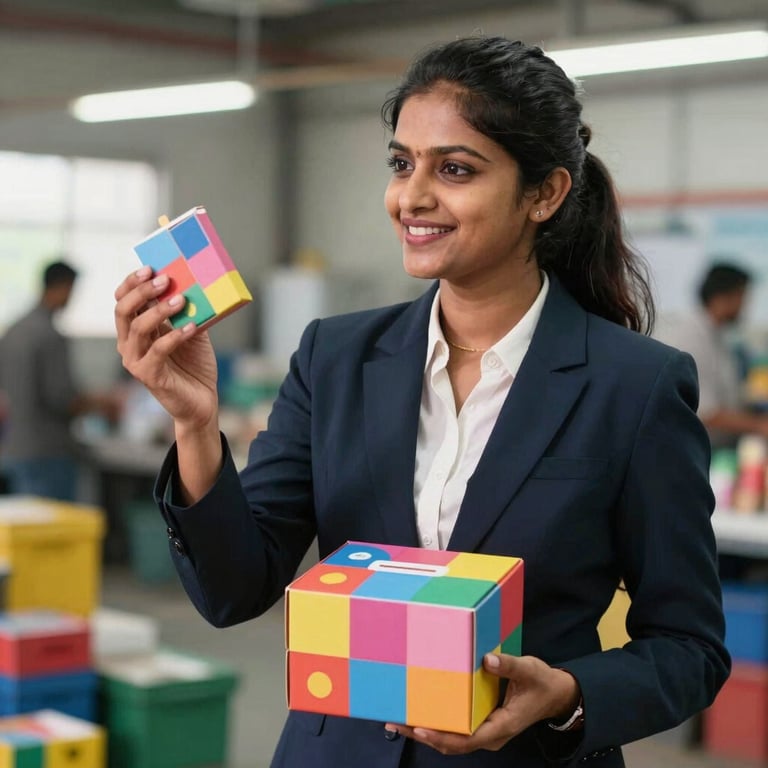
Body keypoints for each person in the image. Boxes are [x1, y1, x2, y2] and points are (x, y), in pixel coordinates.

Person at [114, 36, 729, 768]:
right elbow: (233, 591)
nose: (412, 197)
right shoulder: (336, 358)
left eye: (456, 169)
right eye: (402, 163)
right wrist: (195, 423)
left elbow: (690, 648)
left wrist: (567, 693)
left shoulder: (633, 385)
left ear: (546, 193)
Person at [0, 260, 119, 501]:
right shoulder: (49, 336)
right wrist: (103, 403)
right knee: (51, 533)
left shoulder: (13, 331)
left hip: (12, 448)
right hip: (47, 453)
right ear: (62, 287)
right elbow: (62, 399)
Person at [655, 262, 765, 450]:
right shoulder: (691, 338)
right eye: (742, 298)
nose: (744, 307)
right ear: (724, 298)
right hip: (689, 450)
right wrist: (759, 425)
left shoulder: (717, 334)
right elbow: (706, 412)